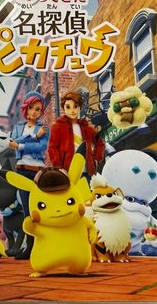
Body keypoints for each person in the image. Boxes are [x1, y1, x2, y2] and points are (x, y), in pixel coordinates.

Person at [10, 91, 48, 259]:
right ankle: (30, 246)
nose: (34, 112)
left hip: (38, 171)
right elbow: (12, 143)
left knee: (39, 208)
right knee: (27, 210)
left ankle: (44, 244)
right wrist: (33, 137)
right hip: (22, 170)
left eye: (38, 109)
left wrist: (21, 145)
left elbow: (41, 147)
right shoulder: (18, 127)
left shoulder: (43, 129)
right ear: (26, 108)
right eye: (32, 108)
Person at [48, 91, 105, 179]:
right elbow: (52, 148)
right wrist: (59, 168)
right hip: (68, 172)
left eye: (75, 106)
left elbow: (100, 143)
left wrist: (96, 159)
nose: (72, 110)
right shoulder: (57, 127)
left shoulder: (87, 128)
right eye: (68, 107)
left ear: (80, 108)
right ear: (63, 108)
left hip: (87, 173)